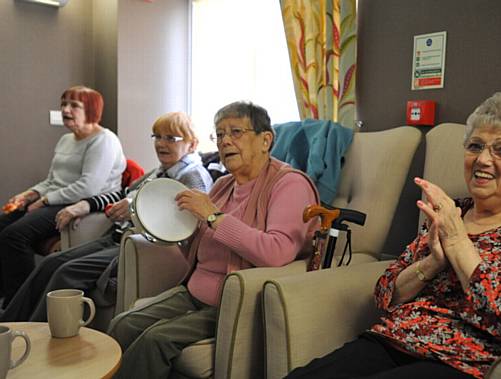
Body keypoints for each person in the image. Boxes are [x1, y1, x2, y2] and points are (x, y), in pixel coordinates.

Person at [286, 92, 501, 379]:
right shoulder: (452, 211)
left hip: (467, 361)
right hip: (395, 339)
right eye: (475, 146)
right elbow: (386, 294)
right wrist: (432, 264)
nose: (482, 160)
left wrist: (458, 244)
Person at [106, 101, 319, 379]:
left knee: (154, 340)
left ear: (265, 140)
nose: (225, 141)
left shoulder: (289, 184)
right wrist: (170, 227)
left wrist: (214, 217)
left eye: (236, 132)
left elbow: (276, 252)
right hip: (194, 293)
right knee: (123, 324)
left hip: (236, 304)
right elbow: (198, 249)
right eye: (219, 134)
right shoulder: (223, 185)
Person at [0, 111, 213, 322]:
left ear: (192, 144)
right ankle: (11, 324)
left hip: (136, 245)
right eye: (157, 136)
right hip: (115, 237)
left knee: (67, 272)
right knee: (51, 263)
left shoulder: (192, 176)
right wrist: (85, 204)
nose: (160, 143)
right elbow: (122, 193)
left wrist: (134, 208)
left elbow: (190, 226)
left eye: (171, 138)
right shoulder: (158, 173)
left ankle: (34, 336)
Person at [0, 85, 125, 306]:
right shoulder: (66, 140)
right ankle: (5, 295)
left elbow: (89, 187)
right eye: (63, 105)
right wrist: (29, 195)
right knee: (2, 224)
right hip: (54, 199)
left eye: (74, 106)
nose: (66, 110)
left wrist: (45, 200)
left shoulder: (104, 140)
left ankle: (18, 302)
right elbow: (52, 179)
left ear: (92, 110)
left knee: (15, 236)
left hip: (79, 204)